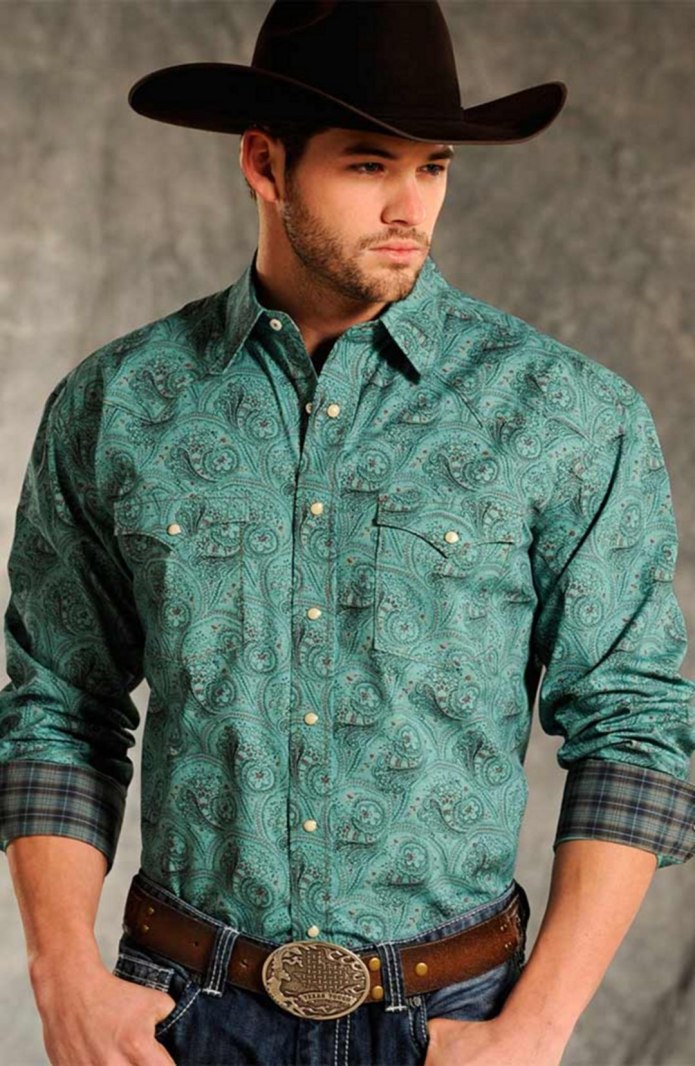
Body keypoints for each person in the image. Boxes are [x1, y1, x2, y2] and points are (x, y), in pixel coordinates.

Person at [1, 2, 694, 1064]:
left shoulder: (564, 417)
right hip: (179, 1017)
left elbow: (635, 730)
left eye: (433, 167)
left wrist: (536, 1026)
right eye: (369, 165)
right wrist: (62, 984)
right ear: (264, 165)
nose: (410, 207)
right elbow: (57, 704)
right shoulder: (120, 404)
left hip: (455, 1020)